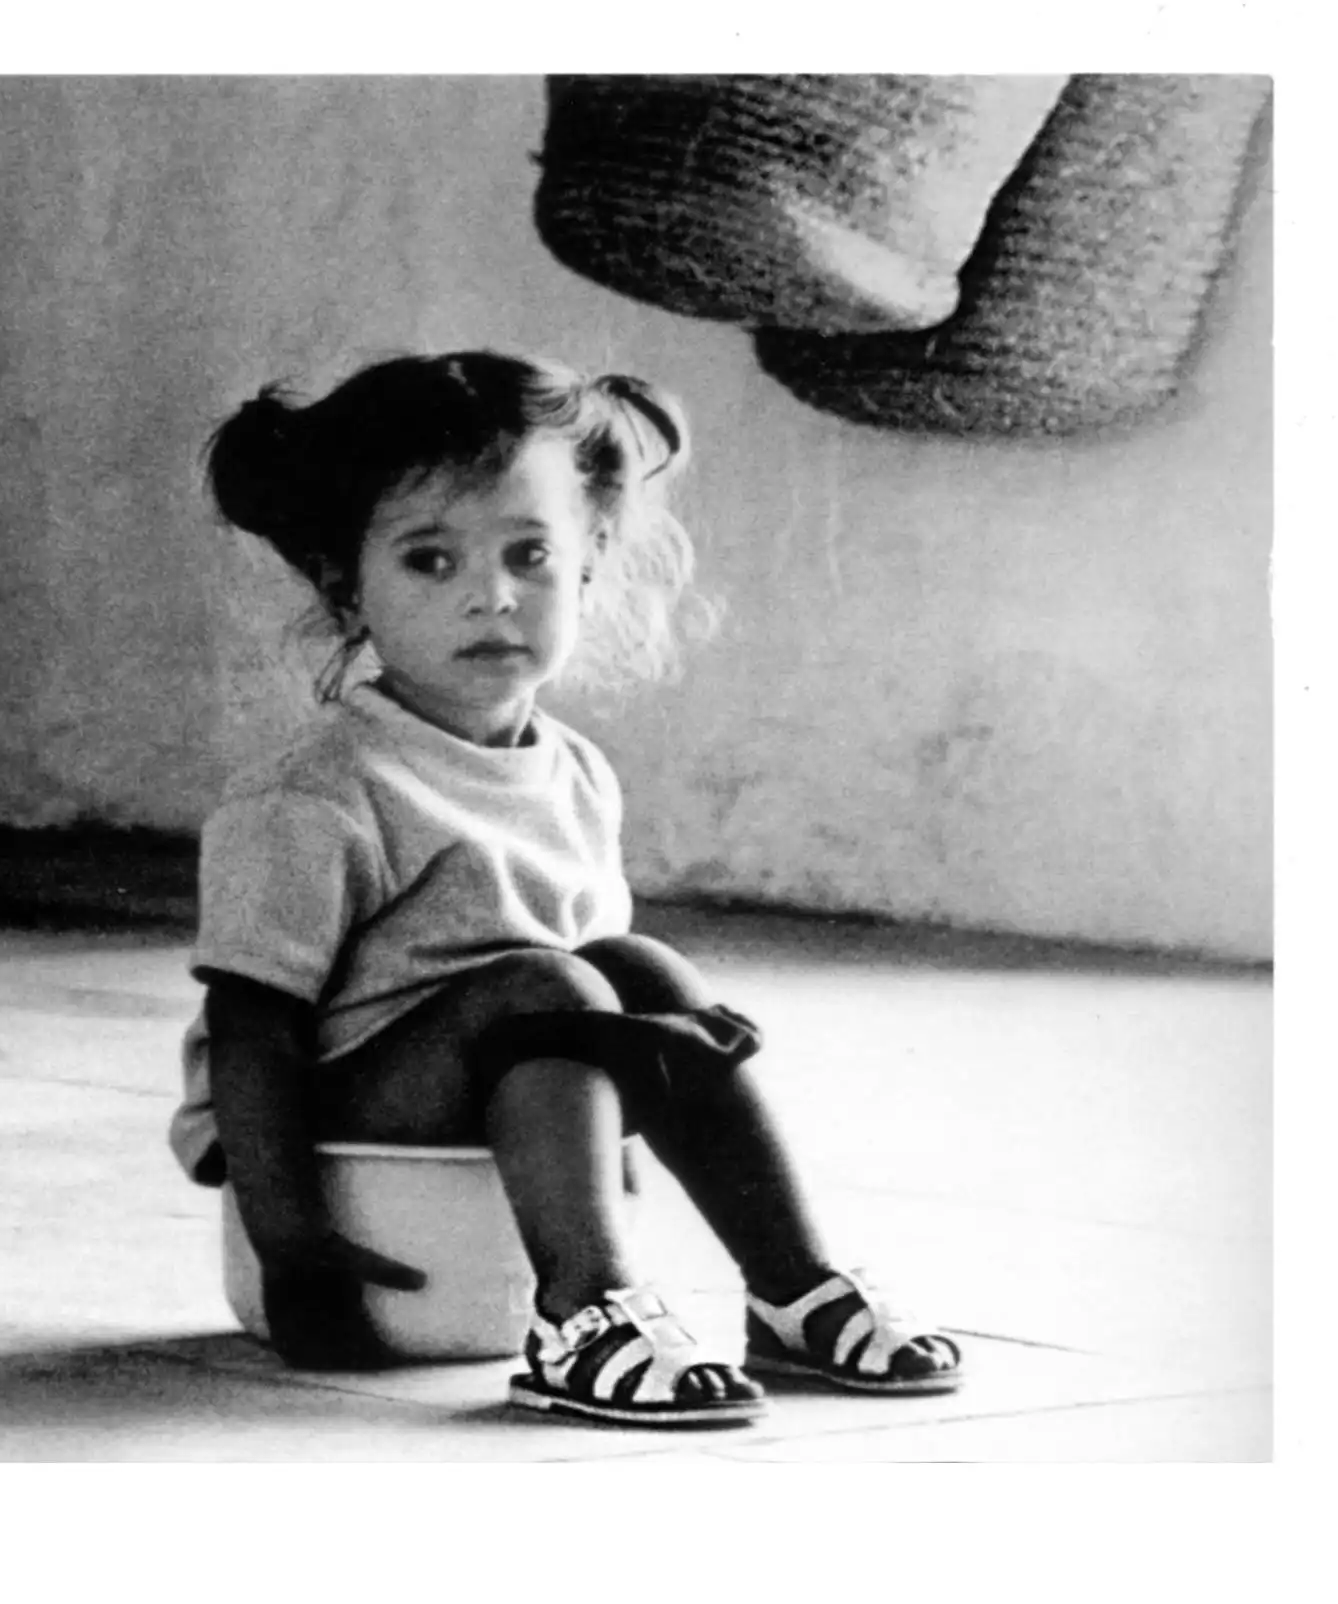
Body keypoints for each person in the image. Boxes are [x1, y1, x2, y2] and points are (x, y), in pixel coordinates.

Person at [169, 350, 964, 1427]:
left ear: (589, 564)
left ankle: (793, 1286)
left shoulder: (575, 772)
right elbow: (251, 1030)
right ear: (346, 583)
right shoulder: (318, 794)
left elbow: (602, 1002)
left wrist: (621, 1122)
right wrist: (292, 1245)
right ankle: (582, 1307)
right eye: (430, 560)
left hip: (493, 1075)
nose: (492, 595)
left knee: (638, 969)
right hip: (326, 1119)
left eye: (530, 554)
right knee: (550, 987)